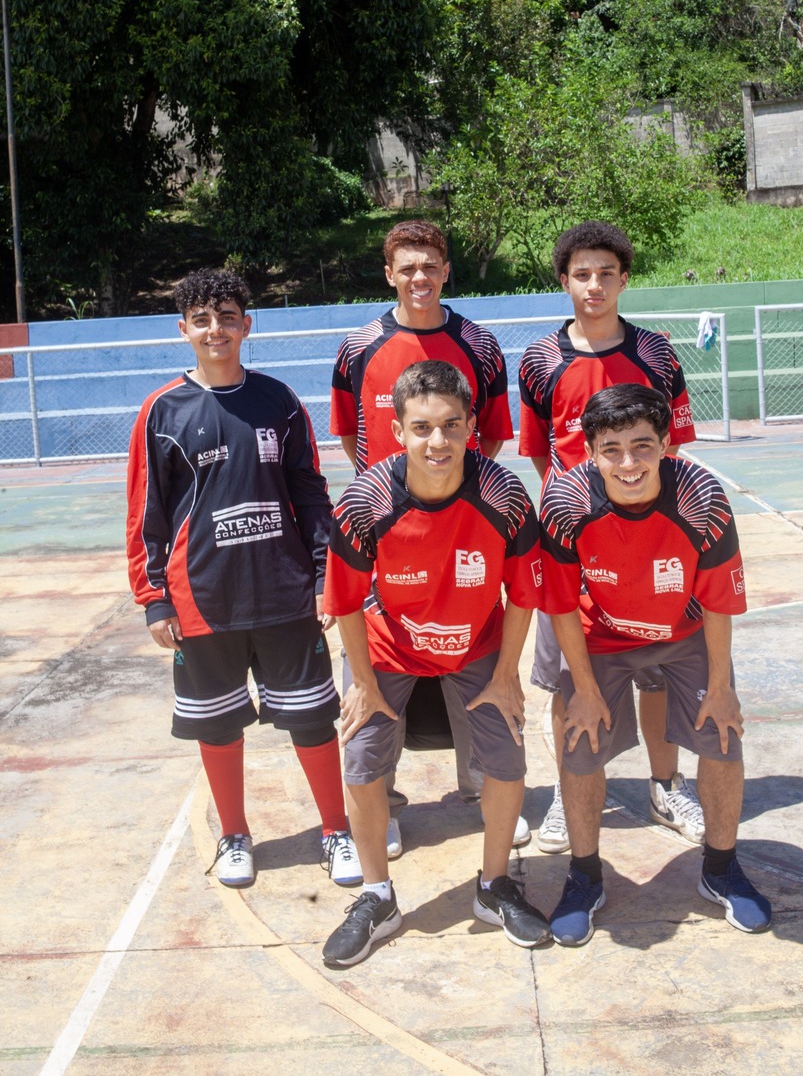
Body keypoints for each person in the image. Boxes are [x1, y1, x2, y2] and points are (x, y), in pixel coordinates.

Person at [127, 268, 361, 889]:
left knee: (311, 718)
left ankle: (336, 831)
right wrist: (154, 598)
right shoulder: (161, 411)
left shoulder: (278, 401)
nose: (216, 330)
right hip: (203, 597)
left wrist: (323, 576)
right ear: (183, 330)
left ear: (246, 325)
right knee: (217, 722)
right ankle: (234, 836)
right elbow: (146, 513)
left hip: (285, 591)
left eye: (227, 318)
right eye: (202, 320)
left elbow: (311, 494)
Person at [321, 361, 549, 967]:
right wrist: (363, 682)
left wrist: (506, 673)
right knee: (362, 759)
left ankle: (494, 885)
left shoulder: (502, 494)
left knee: (507, 758)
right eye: (421, 428)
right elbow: (345, 599)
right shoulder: (367, 500)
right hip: (388, 645)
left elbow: (524, 591)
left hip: (477, 645)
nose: (438, 441)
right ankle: (377, 897)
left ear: (472, 425)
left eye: (451, 425)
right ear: (397, 431)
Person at [540, 384, 771, 946]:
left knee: (722, 735)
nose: (628, 463)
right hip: (602, 635)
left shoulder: (700, 497)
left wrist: (722, 686)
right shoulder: (566, 502)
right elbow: (562, 604)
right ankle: (584, 875)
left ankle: (721, 868)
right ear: (590, 453)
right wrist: (584, 689)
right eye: (612, 449)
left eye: (642, 446)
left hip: (685, 632)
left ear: (666, 443)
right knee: (581, 740)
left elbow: (718, 601)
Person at [330, 220, 529, 855]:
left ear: (447, 272)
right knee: (379, 671)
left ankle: (480, 788)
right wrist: (395, 494)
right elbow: (350, 434)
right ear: (389, 273)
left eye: (431, 266)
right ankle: (382, 806)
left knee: (474, 650)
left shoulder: (480, 343)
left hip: (464, 523)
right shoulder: (358, 347)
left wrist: (455, 487)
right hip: (391, 532)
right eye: (408, 267)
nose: (420, 277)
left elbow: (491, 431)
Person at [518, 221, 701, 855]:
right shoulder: (540, 361)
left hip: (650, 544)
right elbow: (541, 455)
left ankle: (665, 784)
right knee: (566, 679)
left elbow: (672, 447)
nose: (593, 285)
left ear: (624, 279)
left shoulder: (655, 354)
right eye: (581, 274)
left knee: (658, 670)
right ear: (564, 281)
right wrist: (576, 516)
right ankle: (568, 793)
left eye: (605, 274)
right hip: (572, 549)